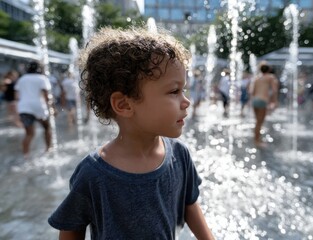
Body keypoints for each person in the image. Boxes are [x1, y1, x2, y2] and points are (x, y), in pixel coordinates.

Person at [48, 27, 214, 240]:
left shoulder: (179, 155)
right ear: (124, 104)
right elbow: (71, 229)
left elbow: (190, 204)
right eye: (174, 91)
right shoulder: (94, 174)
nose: (186, 101)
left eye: (184, 90)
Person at [14, 61, 53, 159]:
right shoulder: (42, 78)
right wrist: (51, 108)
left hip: (24, 107)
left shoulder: (22, 79)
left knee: (29, 133)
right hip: (38, 106)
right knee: (47, 128)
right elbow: (46, 95)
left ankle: (25, 155)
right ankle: (48, 149)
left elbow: (16, 96)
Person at [250, 62, 278, 147]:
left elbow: (253, 92)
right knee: (260, 122)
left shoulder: (257, 78)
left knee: (257, 121)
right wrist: (274, 101)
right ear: (269, 69)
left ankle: (257, 138)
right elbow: (274, 90)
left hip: (255, 100)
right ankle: (257, 141)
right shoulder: (270, 77)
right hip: (263, 100)